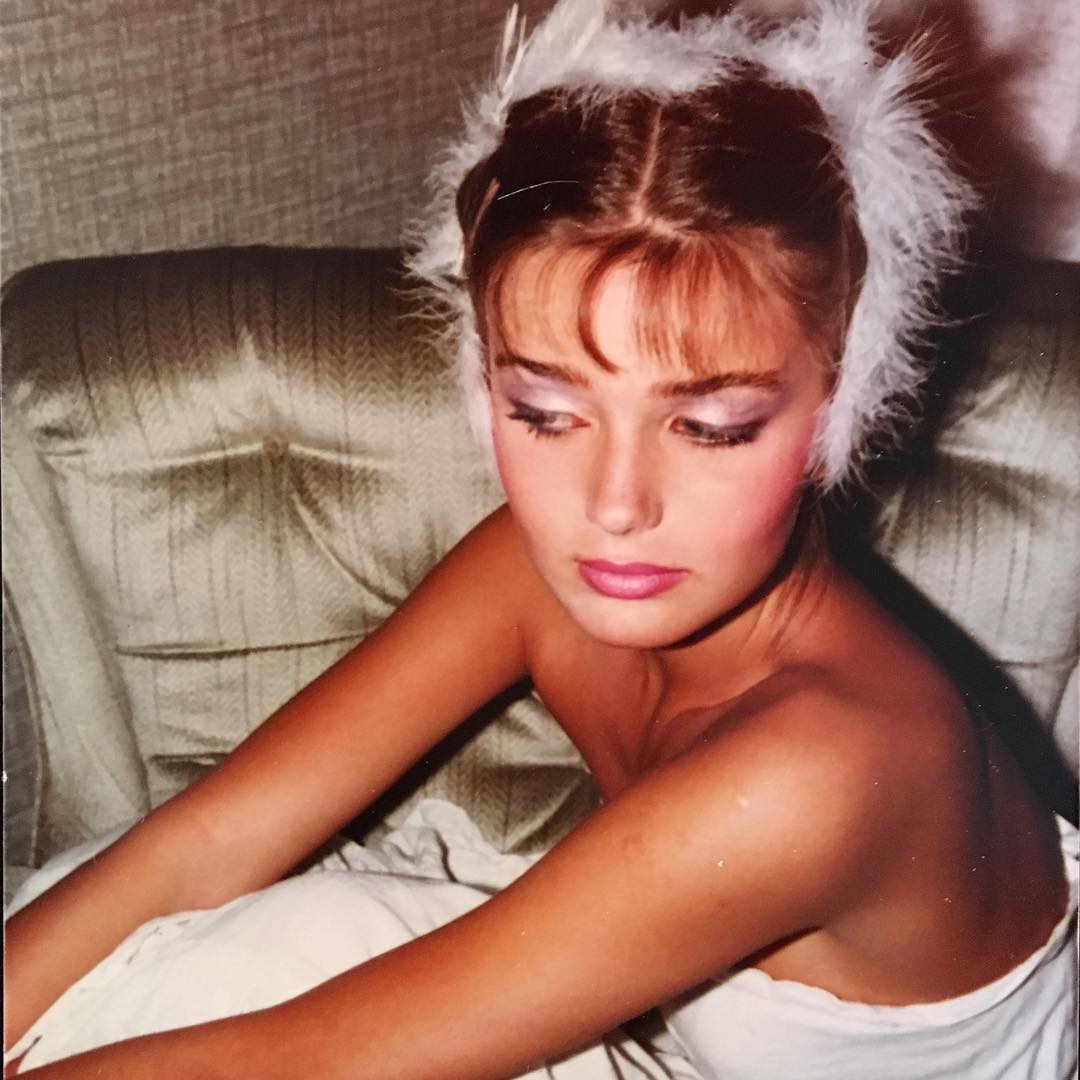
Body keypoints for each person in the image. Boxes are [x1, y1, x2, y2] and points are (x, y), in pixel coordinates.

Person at [4, 2, 1076, 1077]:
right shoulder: (535, 565)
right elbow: (207, 840)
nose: (616, 504)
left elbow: (301, 1064)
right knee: (125, 928)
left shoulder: (822, 767)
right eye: (547, 413)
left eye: (711, 427)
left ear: (841, 405)